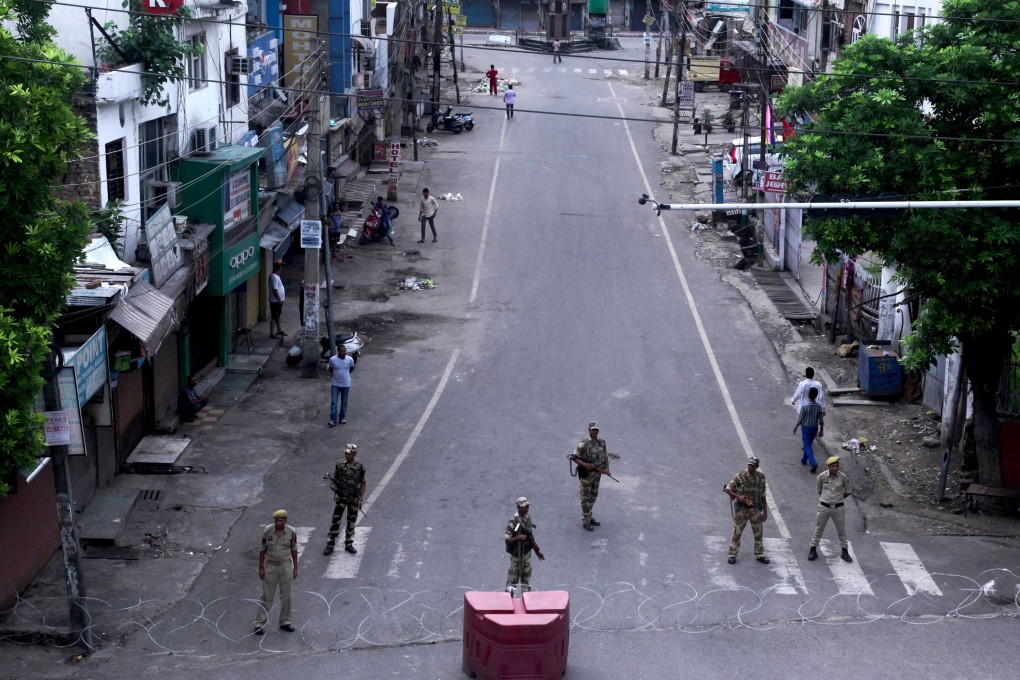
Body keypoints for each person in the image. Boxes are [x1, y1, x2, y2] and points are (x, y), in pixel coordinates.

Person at [254, 509, 299, 635]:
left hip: (285, 566)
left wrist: (295, 568)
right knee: (267, 595)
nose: (278, 522)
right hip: (271, 566)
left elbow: (294, 549)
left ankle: (285, 621)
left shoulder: (291, 532)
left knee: (286, 595)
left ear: (285, 520)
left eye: (280, 520)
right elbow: (262, 549)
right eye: (276, 520)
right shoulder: (268, 531)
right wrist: (261, 567)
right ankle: (259, 623)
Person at [724, 457, 770, 564]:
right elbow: (728, 489)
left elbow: (763, 495)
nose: (751, 467)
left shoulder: (761, 478)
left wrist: (765, 512)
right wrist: (738, 497)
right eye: (750, 465)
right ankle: (732, 554)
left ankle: (759, 554)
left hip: (755, 509)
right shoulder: (740, 476)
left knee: (758, 533)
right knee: (737, 532)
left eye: (753, 466)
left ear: (757, 467)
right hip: (742, 509)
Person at [808, 456, 853, 563]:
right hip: (824, 507)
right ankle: (812, 550)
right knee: (819, 529)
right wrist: (827, 499)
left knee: (841, 531)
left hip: (838, 508)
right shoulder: (822, 477)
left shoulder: (843, 477)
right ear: (829, 466)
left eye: (837, 466)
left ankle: (845, 552)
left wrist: (838, 499)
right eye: (833, 466)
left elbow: (848, 491)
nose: (835, 468)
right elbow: (819, 490)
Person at [324, 443, 366, 555]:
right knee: (336, 520)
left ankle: (349, 543)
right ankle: (330, 543)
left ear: (354, 454)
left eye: (349, 453)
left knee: (351, 521)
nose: (347, 455)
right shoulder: (339, 464)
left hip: (353, 498)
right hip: (341, 497)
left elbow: (363, 483)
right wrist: (335, 488)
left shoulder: (360, 467)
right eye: (346, 453)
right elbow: (335, 478)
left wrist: (360, 499)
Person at [571, 421, 611, 531]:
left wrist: (607, 469)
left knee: (593, 496)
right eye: (593, 429)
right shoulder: (584, 443)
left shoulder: (602, 442)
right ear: (589, 430)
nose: (595, 431)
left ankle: (589, 515)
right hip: (586, 475)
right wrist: (585, 465)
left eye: (596, 429)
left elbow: (606, 457)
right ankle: (586, 520)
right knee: (585, 498)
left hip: (597, 475)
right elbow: (573, 457)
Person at [504, 496, 544, 593]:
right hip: (516, 557)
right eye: (524, 507)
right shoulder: (513, 521)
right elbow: (507, 540)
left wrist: (537, 551)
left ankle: (526, 604)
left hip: (526, 555)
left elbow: (530, 536)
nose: (526, 509)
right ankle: (509, 604)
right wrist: (518, 538)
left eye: (527, 506)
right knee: (512, 584)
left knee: (526, 583)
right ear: (518, 507)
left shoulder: (527, 518)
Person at [794, 387, 825, 473]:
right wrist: (821, 429)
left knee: (806, 445)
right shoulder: (819, 407)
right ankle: (804, 459)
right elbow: (821, 420)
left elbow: (800, 420)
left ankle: (813, 463)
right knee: (809, 444)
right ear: (816, 395)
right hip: (814, 428)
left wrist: (796, 427)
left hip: (806, 427)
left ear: (808, 395)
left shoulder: (805, 407)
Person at [328, 344, 355, 426]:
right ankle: (333, 420)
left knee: (344, 402)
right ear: (338, 351)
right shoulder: (332, 359)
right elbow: (331, 368)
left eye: (345, 351)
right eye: (342, 351)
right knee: (334, 402)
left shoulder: (350, 359)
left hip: (346, 384)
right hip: (335, 384)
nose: (344, 353)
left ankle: (342, 418)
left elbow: (351, 368)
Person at [268, 262, 287, 339]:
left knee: (278, 315)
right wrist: (279, 299)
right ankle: (272, 333)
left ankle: (279, 329)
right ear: (278, 269)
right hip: (275, 301)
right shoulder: (274, 277)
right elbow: (275, 290)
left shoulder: (276, 276)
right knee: (274, 316)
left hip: (278, 301)